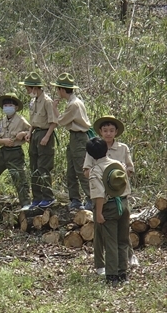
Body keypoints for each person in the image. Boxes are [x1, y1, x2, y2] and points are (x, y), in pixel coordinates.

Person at [83, 115, 136, 274]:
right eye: (105, 130)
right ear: (100, 131)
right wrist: (101, 177)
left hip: (119, 196)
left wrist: (116, 178)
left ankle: (124, 262)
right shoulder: (94, 147)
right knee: (100, 233)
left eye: (111, 130)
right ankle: (101, 265)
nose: (108, 133)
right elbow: (86, 170)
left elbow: (129, 169)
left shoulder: (122, 148)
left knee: (121, 234)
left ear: (116, 132)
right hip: (101, 198)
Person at [86, 137, 131, 286]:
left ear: (91, 155)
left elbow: (99, 195)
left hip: (109, 207)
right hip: (123, 203)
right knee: (123, 240)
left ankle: (112, 275)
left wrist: (99, 213)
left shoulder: (96, 170)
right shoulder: (117, 164)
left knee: (111, 241)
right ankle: (123, 272)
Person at [52, 73, 92, 211]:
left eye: (58, 89)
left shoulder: (74, 104)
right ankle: (75, 199)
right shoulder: (73, 103)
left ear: (62, 90)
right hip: (74, 137)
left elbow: (61, 121)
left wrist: (55, 109)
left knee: (82, 168)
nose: (58, 92)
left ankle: (91, 199)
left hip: (79, 138)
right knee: (71, 169)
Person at [19, 72, 58, 208]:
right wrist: (29, 133)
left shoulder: (47, 102)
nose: (27, 91)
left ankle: (48, 197)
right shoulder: (33, 101)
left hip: (45, 134)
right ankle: (37, 197)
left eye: (28, 88)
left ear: (35, 88)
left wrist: (47, 137)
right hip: (35, 134)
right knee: (34, 167)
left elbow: (53, 122)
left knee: (43, 167)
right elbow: (34, 121)